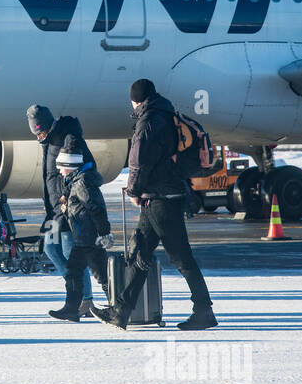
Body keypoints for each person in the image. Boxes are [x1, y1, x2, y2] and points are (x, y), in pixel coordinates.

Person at [92, 79, 217, 331]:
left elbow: (138, 160)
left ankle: (203, 310)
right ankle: (121, 311)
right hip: (161, 195)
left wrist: (133, 190)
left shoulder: (148, 121)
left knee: (181, 257)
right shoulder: (166, 113)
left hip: (160, 198)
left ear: (136, 99)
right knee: (141, 252)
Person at [26, 104, 97, 315]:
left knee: (69, 252)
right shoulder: (49, 141)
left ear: (48, 126)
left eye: (41, 132)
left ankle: (83, 300)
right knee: (50, 249)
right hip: (54, 209)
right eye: (36, 133)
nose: (39, 136)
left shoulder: (69, 138)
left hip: (68, 208)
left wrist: (70, 192)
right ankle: (78, 293)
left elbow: (88, 168)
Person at [48, 136, 112, 322]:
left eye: (61, 166)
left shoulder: (82, 183)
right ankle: (73, 308)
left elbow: (96, 208)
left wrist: (104, 233)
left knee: (92, 274)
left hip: (89, 238)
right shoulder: (75, 182)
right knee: (91, 273)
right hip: (83, 237)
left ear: (70, 165)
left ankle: (118, 306)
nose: (59, 170)